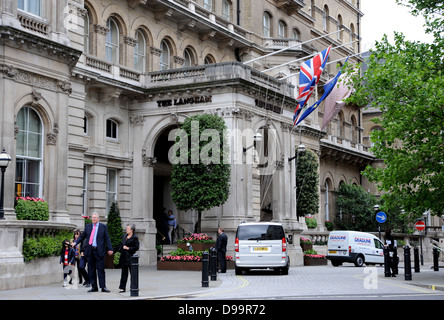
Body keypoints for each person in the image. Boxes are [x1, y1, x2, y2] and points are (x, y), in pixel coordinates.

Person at [73, 212, 113, 292]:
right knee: (91, 270)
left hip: (99, 251)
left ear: (98, 219)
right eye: (92, 217)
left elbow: (107, 238)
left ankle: (103, 287)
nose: (93, 219)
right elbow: (82, 236)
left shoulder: (103, 227)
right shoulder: (88, 227)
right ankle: (94, 287)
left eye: (95, 217)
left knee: (100, 270)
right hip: (90, 251)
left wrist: (110, 248)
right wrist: (75, 242)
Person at [116, 224, 140, 293]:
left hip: (130, 257)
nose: (127, 229)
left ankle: (133, 287)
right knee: (124, 273)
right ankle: (122, 288)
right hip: (124, 257)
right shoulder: (124, 236)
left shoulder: (135, 237)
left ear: (132, 230)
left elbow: (136, 247)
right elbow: (121, 245)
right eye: (126, 228)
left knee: (132, 273)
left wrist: (128, 248)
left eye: (128, 228)